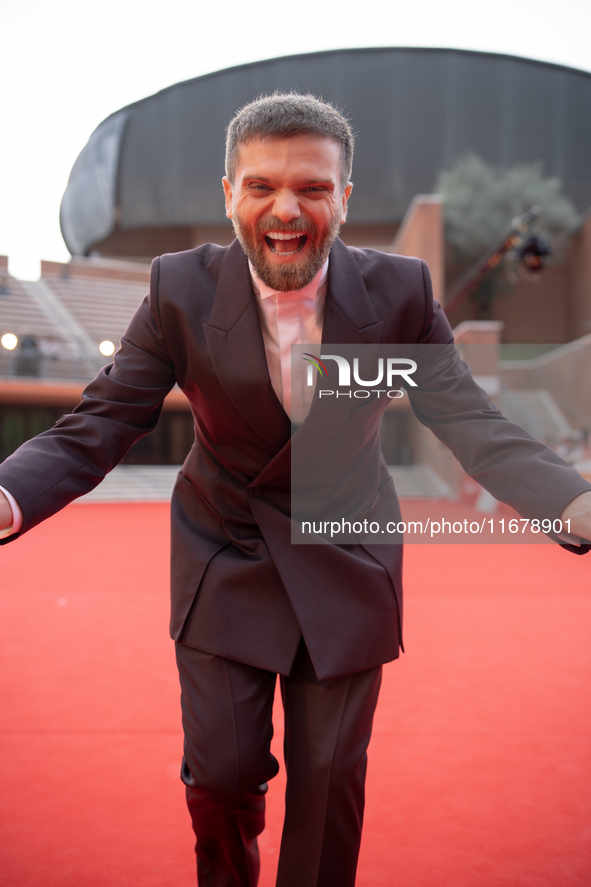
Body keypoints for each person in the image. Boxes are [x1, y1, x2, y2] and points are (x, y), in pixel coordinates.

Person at [1, 93, 590, 887]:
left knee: (327, 788)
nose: (286, 208)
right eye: (261, 186)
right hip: (224, 554)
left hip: (345, 554)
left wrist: (572, 498)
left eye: (312, 188)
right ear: (228, 194)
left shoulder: (401, 293)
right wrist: (8, 493)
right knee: (219, 779)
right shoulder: (178, 287)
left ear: (344, 198)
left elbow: (471, 422)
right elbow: (101, 423)